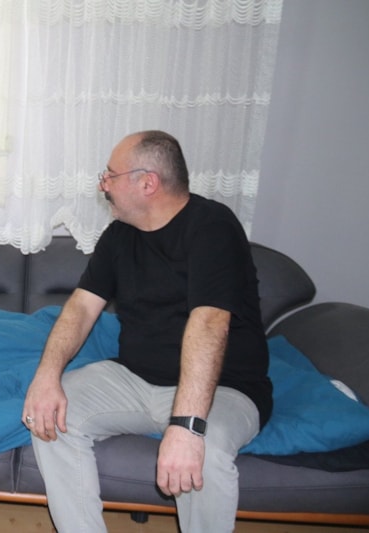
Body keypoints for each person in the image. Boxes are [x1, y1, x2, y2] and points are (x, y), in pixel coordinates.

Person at [22, 130, 272, 532]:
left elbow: (209, 322)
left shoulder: (213, 226)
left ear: (148, 183)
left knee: (204, 451)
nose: (103, 184)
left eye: (110, 175)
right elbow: (81, 308)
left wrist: (187, 426)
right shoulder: (119, 235)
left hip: (224, 389)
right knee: (50, 416)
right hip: (135, 380)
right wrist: (47, 377)